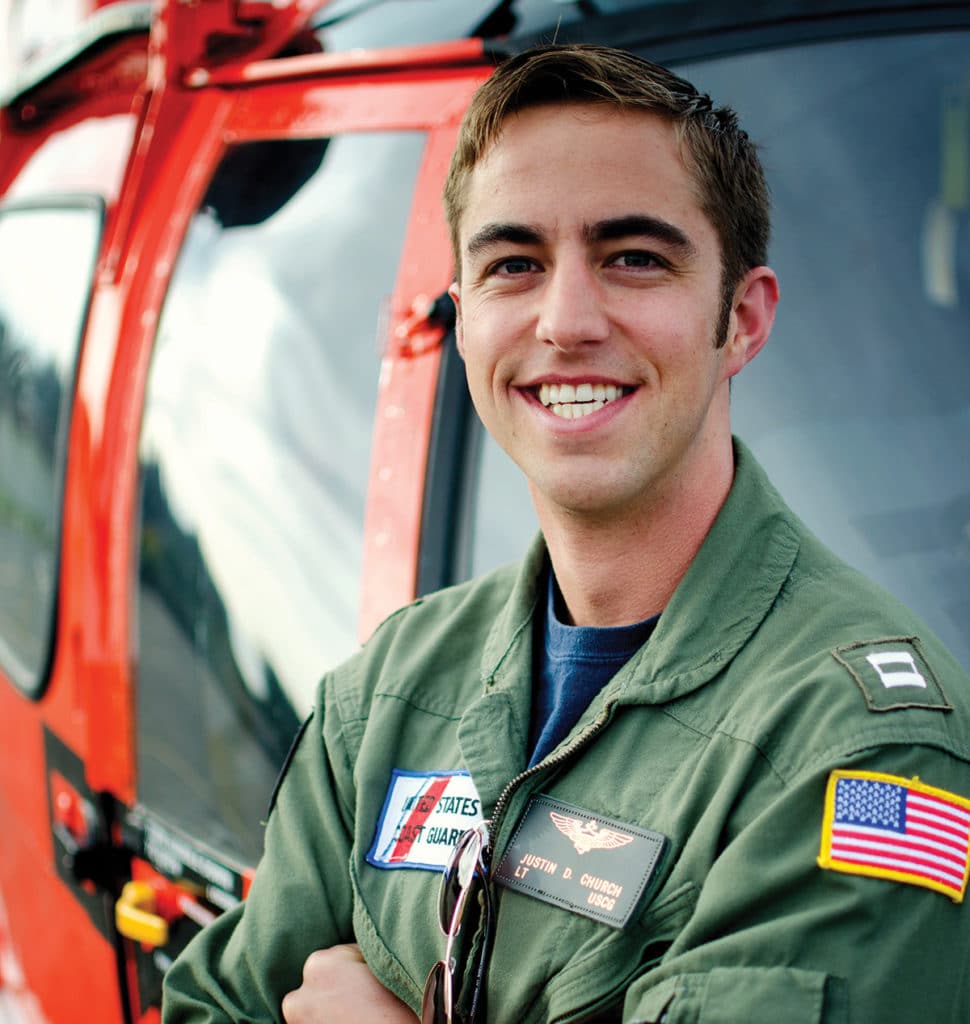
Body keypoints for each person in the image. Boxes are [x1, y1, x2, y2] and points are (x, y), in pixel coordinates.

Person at [162, 44, 970, 1024]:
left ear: (742, 320)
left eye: (634, 257)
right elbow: (211, 1005)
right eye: (513, 264)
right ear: (461, 322)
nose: (567, 318)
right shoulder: (391, 688)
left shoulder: (864, 756)